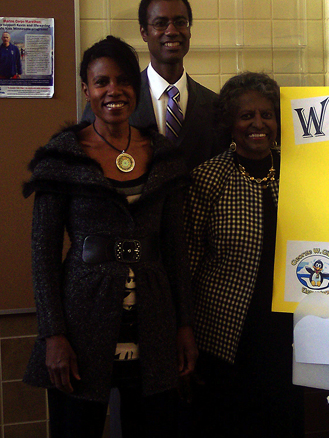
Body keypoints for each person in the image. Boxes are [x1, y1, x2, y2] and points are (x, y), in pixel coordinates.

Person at [23, 35, 198, 438]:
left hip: (154, 323)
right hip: (82, 324)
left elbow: (176, 249)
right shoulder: (62, 156)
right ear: (87, 90)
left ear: (135, 90)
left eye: (122, 81)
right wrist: (53, 335)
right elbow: (42, 255)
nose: (112, 91)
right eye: (101, 82)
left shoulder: (164, 155)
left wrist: (184, 325)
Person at [185, 72, 304, 437]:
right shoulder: (208, 178)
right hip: (225, 335)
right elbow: (187, 262)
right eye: (246, 115)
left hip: (288, 332)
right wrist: (183, 329)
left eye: (267, 115)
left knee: (283, 423)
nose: (258, 124)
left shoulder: (300, 172)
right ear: (229, 123)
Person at [82, 0, 220, 170]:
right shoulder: (112, 100)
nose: (171, 31)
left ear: (189, 30)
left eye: (180, 22)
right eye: (160, 23)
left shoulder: (214, 105)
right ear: (144, 32)